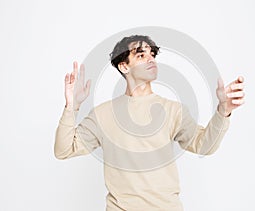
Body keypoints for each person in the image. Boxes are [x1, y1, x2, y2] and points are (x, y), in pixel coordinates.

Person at [54, 35, 245, 211]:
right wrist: (72, 106)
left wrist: (223, 110)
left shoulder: (173, 110)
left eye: (152, 54)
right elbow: (63, 150)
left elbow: (205, 146)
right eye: (141, 55)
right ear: (124, 66)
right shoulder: (102, 114)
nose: (151, 58)